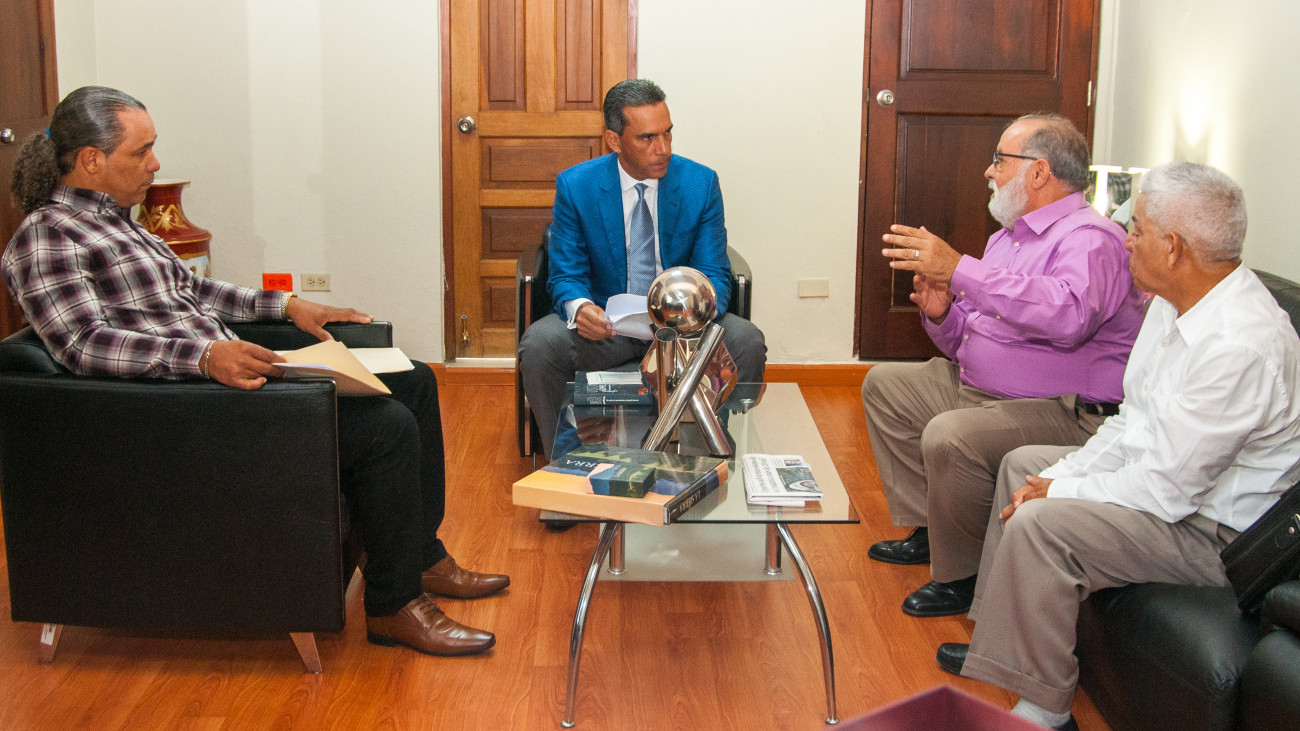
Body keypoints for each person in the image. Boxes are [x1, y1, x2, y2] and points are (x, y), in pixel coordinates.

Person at [3, 86, 509, 658]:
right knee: (385, 428)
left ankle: (418, 555)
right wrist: (202, 357)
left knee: (414, 380)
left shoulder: (119, 223)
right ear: (91, 160)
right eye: (141, 152)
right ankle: (393, 606)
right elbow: (82, 344)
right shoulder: (47, 237)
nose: (155, 164)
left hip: (223, 382)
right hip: (185, 412)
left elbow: (193, 291)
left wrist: (290, 306)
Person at [935, 162, 1300, 730]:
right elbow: (1134, 423)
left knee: (1042, 522)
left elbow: (1166, 489)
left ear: (1173, 248)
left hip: (1215, 534)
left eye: (1138, 229)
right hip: (1175, 493)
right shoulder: (1171, 303)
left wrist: (1061, 491)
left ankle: (1047, 712)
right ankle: (1002, 648)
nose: (1126, 240)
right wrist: (1059, 475)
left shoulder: (1240, 345)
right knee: (1024, 466)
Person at [861, 113, 1145, 618]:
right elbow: (971, 336)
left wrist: (960, 269)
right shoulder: (1007, 238)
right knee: (886, 386)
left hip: (1063, 409)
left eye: (999, 160)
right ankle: (934, 530)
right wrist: (943, 314)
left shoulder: (1090, 238)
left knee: (951, 435)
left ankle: (964, 575)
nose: (988, 171)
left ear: (1039, 172)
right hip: (984, 388)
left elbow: (1068, 316)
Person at [518, 78, 766, 458]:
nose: (663, 148)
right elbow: (566, 272)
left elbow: (714, 271)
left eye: (667, 134)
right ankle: (568, 462)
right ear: (614, 141)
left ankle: (702, 453)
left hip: (682, 329)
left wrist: (691, 317)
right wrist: (580, 309)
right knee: (539, 345)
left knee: (746, 341)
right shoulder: (577, 186)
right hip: (607, 328)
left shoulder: (700, 183)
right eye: (648, 138)